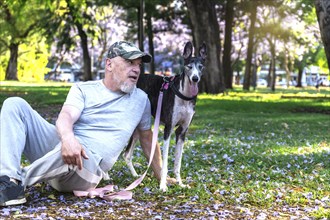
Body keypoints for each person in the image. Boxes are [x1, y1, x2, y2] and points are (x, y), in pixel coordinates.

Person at [0, 41, 163, 206]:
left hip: (87, 169)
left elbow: (147, 138)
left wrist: (161, 175)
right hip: (63, 150)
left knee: (77, 152)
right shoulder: (83, 89)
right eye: (129, 62)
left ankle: (12, 185)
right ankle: (8, 178)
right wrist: (68, 139)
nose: (136, 69)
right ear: (109, 64)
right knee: (15, 104)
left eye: (139, 65)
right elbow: (66, 116)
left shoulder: (141, 99)